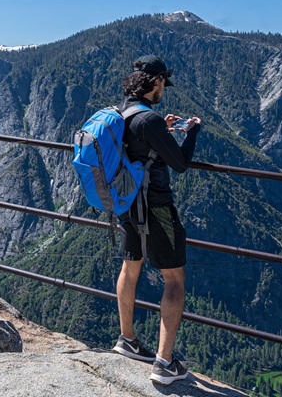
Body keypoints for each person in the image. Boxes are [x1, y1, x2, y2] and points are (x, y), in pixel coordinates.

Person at [111, 54, 201, 385]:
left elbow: (139, 145)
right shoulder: (149, 120)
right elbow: (179, 163)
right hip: (156, 208)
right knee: (174, 280)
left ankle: (127, 339)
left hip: (127, 205)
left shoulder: (123, 114)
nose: (165, 89)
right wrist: (191, 132)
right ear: (157, 81)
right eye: (164, 83)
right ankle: (164, 363)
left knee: (130, 266)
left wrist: (163, 127)